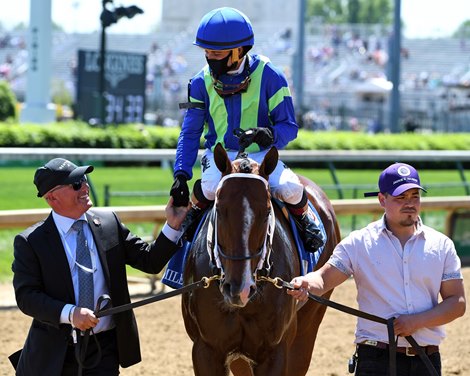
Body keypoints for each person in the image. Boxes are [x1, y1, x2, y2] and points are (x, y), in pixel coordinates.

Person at [11, 158, 189, 375]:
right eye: (76, 184)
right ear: (52, 197)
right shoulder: (31, 242)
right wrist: (70, 314)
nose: (85, 187)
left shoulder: (108, 223)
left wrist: (172, 226)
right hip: (55, 355)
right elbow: (27, 296)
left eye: (84, 180)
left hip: (104, 350)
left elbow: (149, 261)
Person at [288, 162, 466, 376]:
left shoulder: (442, 245)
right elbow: (324, 279)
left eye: (414, 196)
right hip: (375, 359)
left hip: (426, 360)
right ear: (382, 199)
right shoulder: (358, 243)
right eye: (401, 197)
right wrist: (306, 283)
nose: (410, 203)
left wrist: (416, 322)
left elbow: (457, 302)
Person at [170, 7, 323, 252]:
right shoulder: (199, 82)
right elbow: (189, 133)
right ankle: (186, 249)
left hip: (260, 155)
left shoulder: (271, 75)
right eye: (206, 52)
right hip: (219, 156)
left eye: (216, 52)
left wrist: (269, 134)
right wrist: (181, 174)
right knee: (209, 188)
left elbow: (289, 127)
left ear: (239, 50)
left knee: (291, 189)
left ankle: (306, 222)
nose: (209, 58)